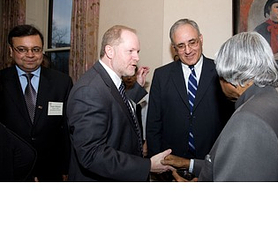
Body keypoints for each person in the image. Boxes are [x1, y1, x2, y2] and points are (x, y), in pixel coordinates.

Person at [162, 31, 278, 182]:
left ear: (234, 79)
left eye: (220, 76)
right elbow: (242, 165)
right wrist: (189, 164)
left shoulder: (249, 120)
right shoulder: (277, 101)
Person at [66, 25, 173, 181]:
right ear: (110, 51)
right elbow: (92, 154)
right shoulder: (89, 90)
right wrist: (147, 165)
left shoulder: (110, 81)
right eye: (130, 51)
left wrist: (137, 89)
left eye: (137, 52)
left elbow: (118, 110)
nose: (136, 58)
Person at [146, 18, 234, 164]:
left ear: (201, 39)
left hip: (212, 162)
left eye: (192, 42)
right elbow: (153, 124)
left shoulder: (220, 72)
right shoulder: (162, 76)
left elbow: (230, 122)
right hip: (171, 162)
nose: (188, 51)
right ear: (174, 48)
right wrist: (158, 162)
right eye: (181, 46)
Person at [0, 24, 73, 181]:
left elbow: (66, 130)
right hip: (11, 170)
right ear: (11, 51)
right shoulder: (1, 81)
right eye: (22, 49)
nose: (30, 54)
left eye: (36, 49)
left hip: (51, 170)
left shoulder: (61, 82)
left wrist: (66, 166)